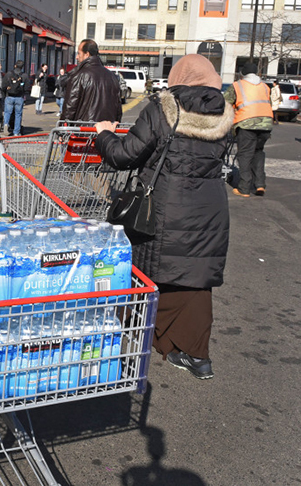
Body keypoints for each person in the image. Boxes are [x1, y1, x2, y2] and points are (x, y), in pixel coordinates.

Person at [93, 54, 233, 380]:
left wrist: (103, 134)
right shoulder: (224, 114)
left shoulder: (163, 108)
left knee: (146, 270)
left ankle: (128, 330)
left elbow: (123, 155)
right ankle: (196, 355)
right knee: (195, 277)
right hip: (210, 208)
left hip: (166, 206)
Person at [223, 62, 273, 197]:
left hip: (247, 123)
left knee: (245, 154)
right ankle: (260, 184)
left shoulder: (237, 85)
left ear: (242, 73)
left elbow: (225, 102)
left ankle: (244, 188)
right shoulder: (265, 86)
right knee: (258, 152)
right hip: (266, 124)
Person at [61, 39, 122, 123]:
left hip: (85, 129)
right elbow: (118, 109)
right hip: (108, 128)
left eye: (79, 53)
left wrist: (62, 128)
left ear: (87, 54)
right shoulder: (112, 77)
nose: (77, 57)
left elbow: (70, 107)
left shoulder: (79, 76)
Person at [2, 60, 31, 136]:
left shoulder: (8, 74)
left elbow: (3, 85)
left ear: (15, 65)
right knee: (18, 115)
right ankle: (16, 132)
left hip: (9, 96)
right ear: (22, 67)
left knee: (7, 112)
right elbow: (27, 87)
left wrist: (6, 91)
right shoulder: (24, 75)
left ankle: (6, 124)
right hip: (19, 97)